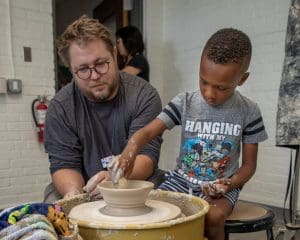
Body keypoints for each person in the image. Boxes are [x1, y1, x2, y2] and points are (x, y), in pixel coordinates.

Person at [117, 28, 268, 240]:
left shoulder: (249, 111)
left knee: (213, 217)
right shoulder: (185, 102)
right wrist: (129, 151)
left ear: (242, 79)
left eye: (221, 88)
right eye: (203, 81)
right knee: (155, 210)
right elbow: (148, 132)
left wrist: (229, 184)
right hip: (182, 180)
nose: (209, 94)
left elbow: (249, 166)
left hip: (222, 186)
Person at [43, 15, 162, 203]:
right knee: (56, 205)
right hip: (85, 185)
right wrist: (75, 194)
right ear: (71, 70)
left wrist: (113, 179)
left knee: (164, 196)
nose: (94, 76)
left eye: (100, 64)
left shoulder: (143, 95)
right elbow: (64, 164)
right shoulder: (60, 108)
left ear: (114, 55)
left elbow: (146, 159)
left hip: (131, 179)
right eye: (83, 69)